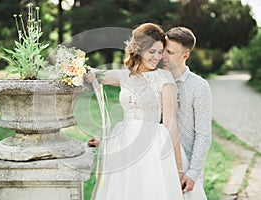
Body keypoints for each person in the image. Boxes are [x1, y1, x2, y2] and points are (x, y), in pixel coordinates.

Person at [86, 23, 207, 200]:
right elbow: (97, 74)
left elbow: (170, 123)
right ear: (139, 49)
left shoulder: (164, 79)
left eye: (160, 52)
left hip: (153, 148)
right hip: (125, 145)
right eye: (152, 52)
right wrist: (79, 70)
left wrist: (178, 167)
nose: (157, 57)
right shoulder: (126, 75)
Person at [161, 27, 212, 193]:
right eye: (163, 50)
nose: (163, 56)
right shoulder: (155, 78)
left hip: (186, 167)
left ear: (185, 55)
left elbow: (204, 134)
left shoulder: (199, 86)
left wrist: (193, 173)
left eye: (170, 52)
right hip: (156, 161)